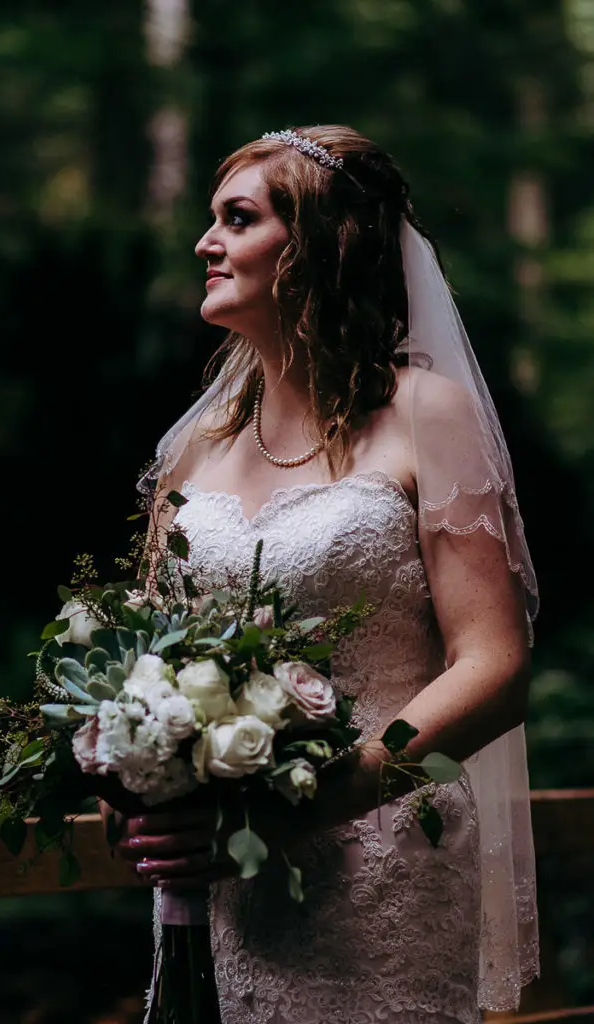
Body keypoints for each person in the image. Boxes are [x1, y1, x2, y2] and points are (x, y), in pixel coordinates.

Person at [115, 125, 540, 1023]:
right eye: (210, 220)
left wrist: (311, 803)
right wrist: (136, 778)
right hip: (230, 879)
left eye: (237, 218)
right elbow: (142, 651)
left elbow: (493, 666)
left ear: (318, 243)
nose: (206, 243)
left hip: (382, 861)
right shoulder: (197, 444)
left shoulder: (425, 412)